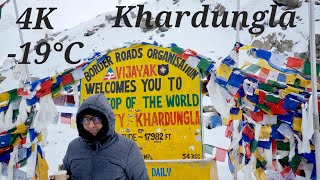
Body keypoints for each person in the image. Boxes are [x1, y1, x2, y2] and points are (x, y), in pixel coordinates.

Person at [51, 94, 149, 180]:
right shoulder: (74, 147)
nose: (91, 125)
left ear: (107, 120)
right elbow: (65, 174)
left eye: (96, 119)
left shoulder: (128, 149)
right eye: (86, 119)